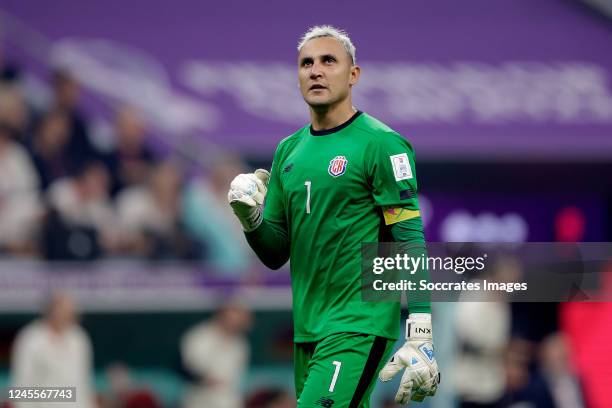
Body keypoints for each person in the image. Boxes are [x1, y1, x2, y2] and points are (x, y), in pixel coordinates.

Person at [227, 26, 439, 406]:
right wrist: (251, 219)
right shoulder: (287, 151)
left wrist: (420, 330)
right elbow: (276, 253)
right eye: (306, 63)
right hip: (307, 331)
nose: (316, 70)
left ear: (353, 74)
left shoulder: (382, 145)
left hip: (359, 324)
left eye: (328, 60)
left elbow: (410, 238)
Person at [10, 292, 95, 408]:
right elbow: (20, 388)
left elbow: (84, 383)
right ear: (52, 311)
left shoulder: (79, 338)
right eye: (66, 311)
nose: (72, 315)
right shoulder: (30, 340)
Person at [180, 303, 252, 408]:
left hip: (228, 400)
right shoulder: (199, 336)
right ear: (222, 315)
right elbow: (190, 368)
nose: (239, 320)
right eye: (235, 315)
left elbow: (236, 378)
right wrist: (204, 379)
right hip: (200, 400)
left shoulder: (241, 344)